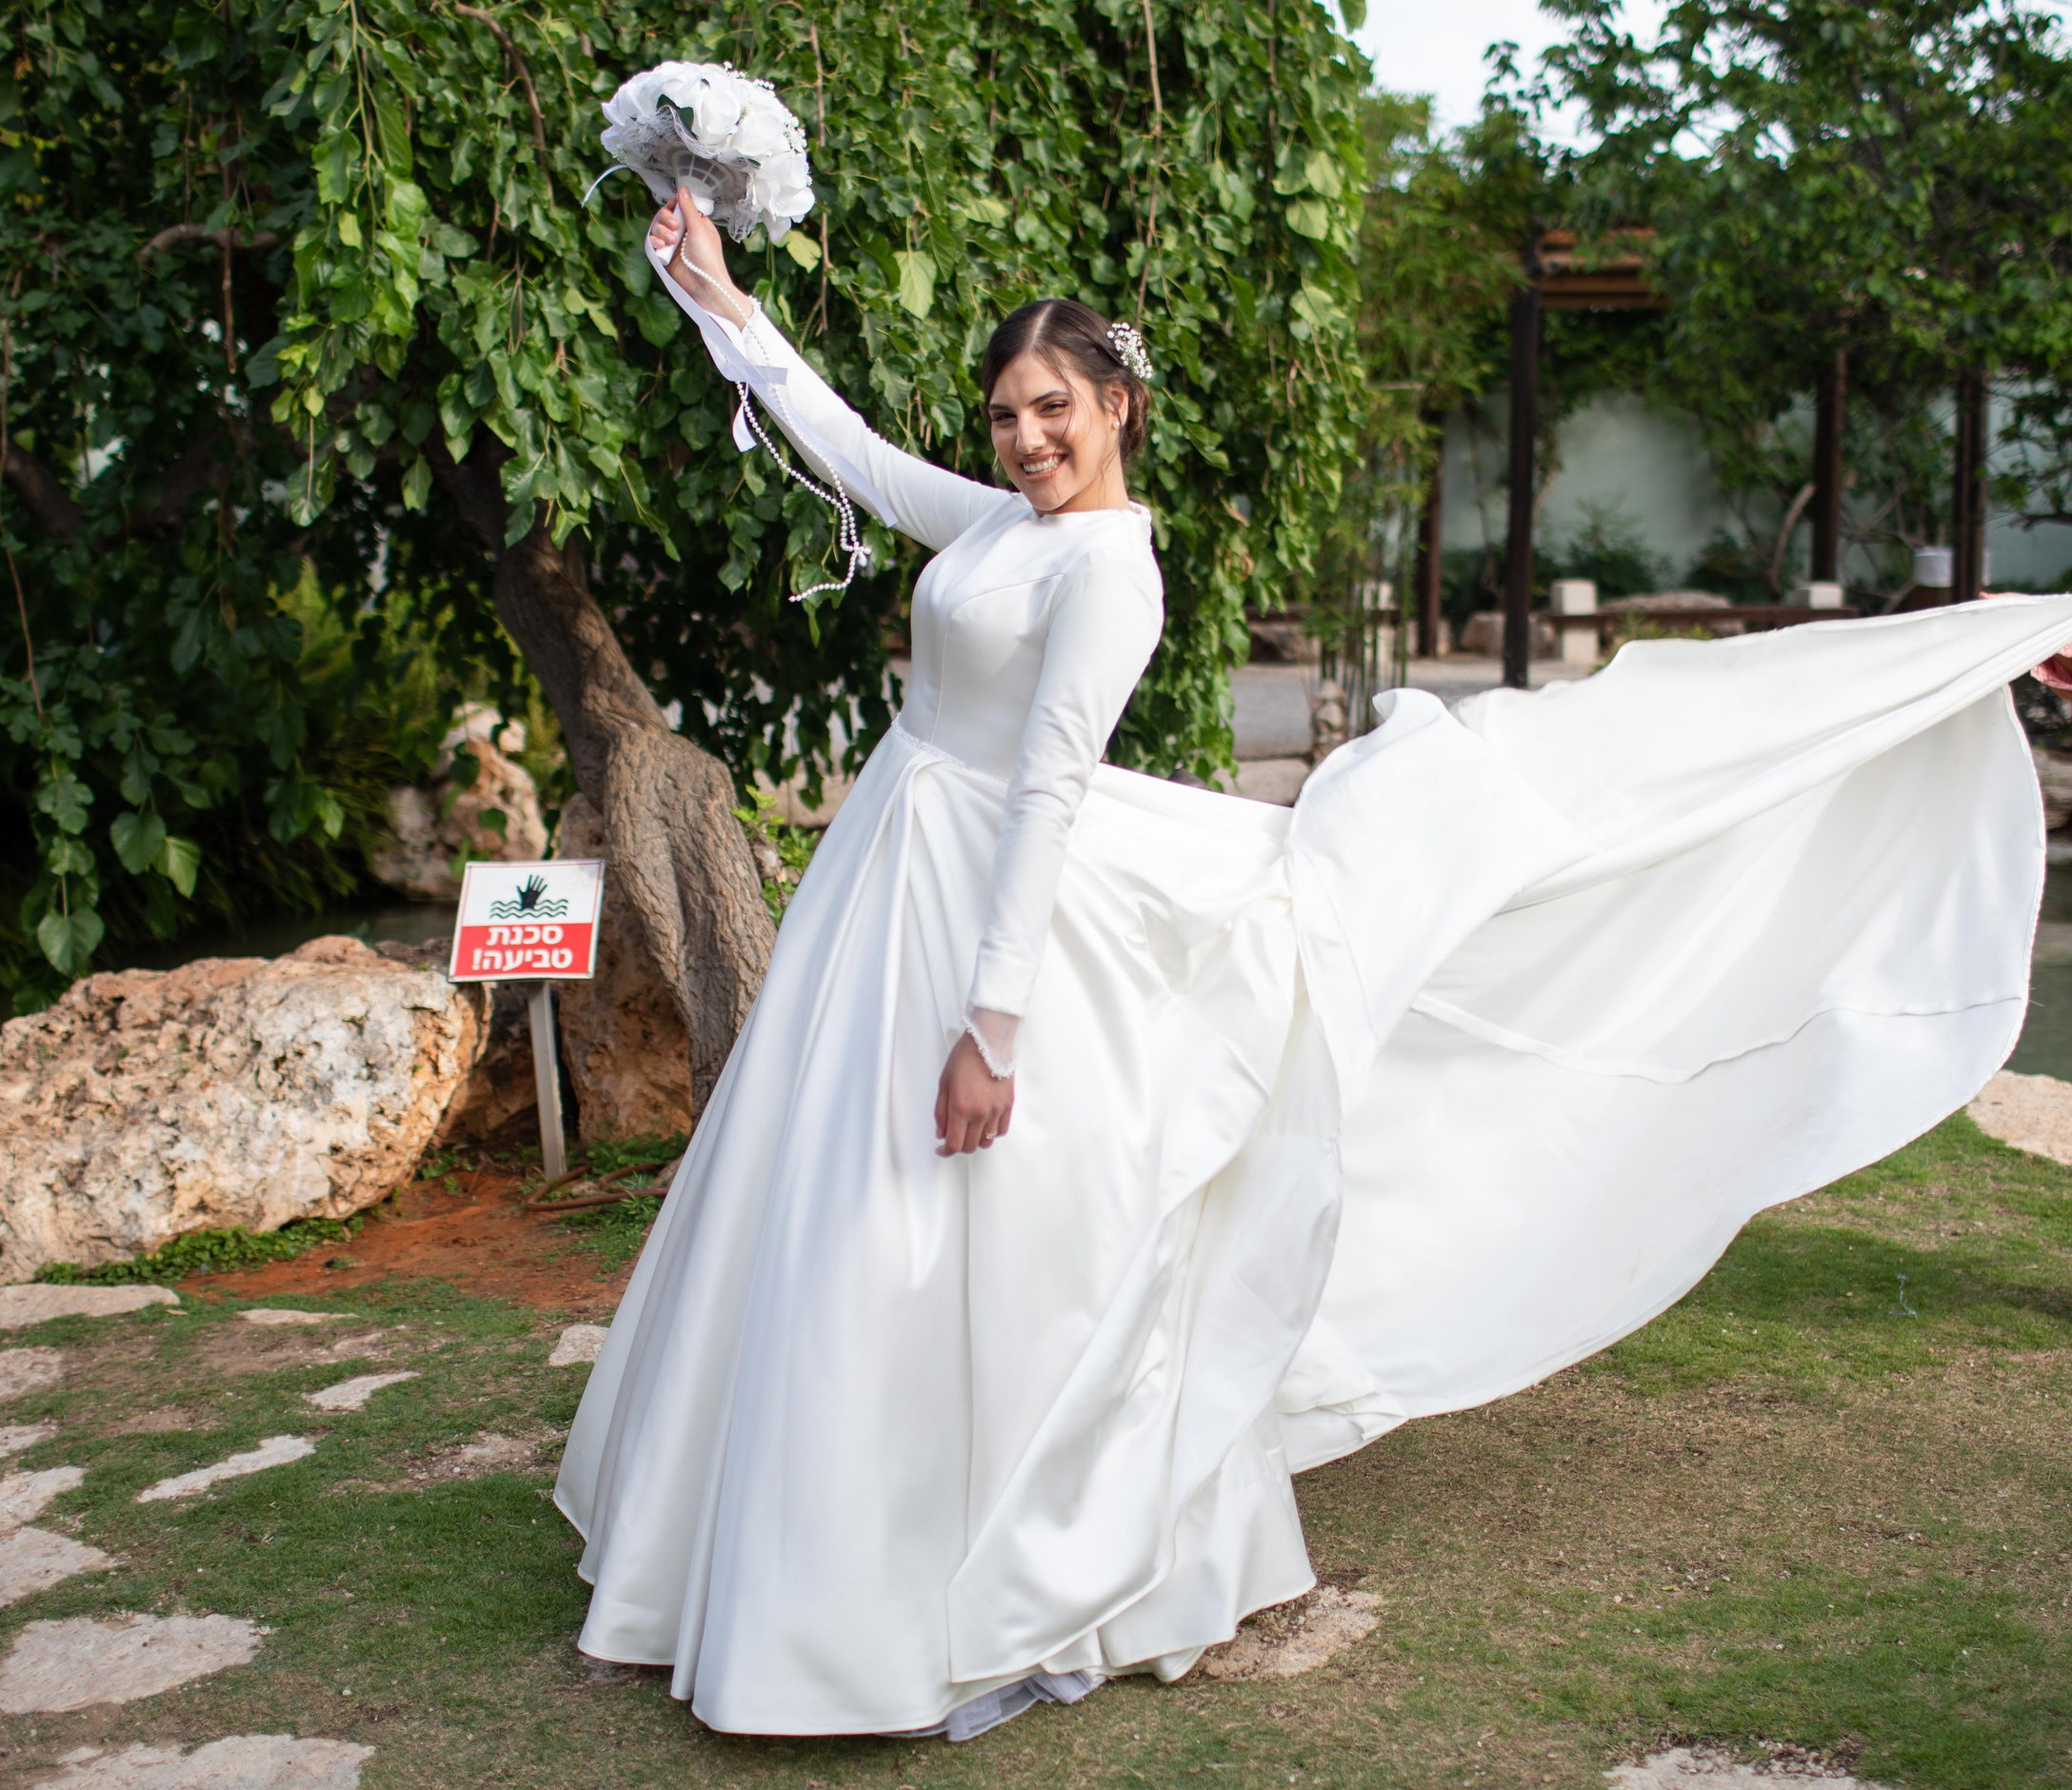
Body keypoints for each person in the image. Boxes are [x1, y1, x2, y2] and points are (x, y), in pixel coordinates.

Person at [553, 188, 2072, 1740]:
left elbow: (1051, 795)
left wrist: (990, 1029)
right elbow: (860, 455)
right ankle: (790, 1536)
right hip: (900, 866)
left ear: (1117, 407)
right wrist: (717, 301)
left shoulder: (1107, 572)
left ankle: (942, 1567)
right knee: (848, 1214)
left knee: (985, 1220)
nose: (1025, 439)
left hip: (992, 902)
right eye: (1008, 413)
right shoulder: (1006, 527)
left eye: (1054, 409)